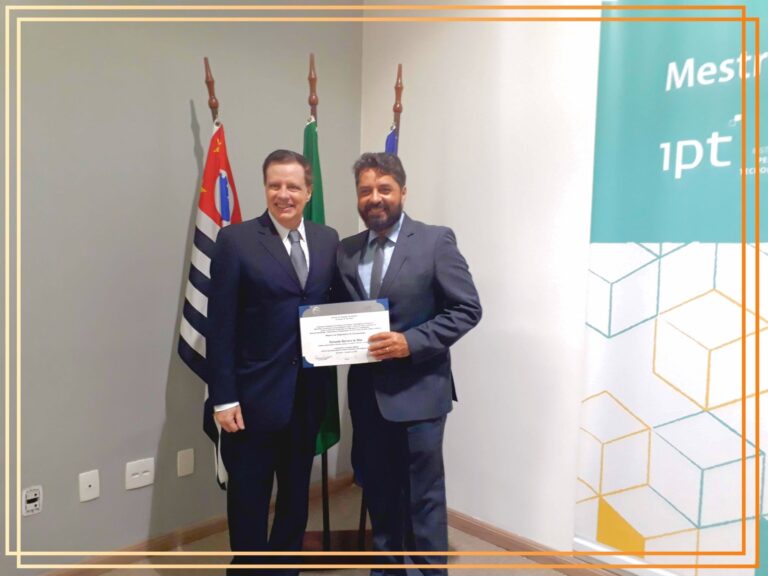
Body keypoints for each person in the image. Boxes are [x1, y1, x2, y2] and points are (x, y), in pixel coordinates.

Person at [336, 153, 482, 575]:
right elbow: (339, 315)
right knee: (379, 493)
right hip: (367, 397)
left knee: (423, 498)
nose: (375, 198)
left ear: (403, 191)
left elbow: (467, 308)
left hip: (420, 394)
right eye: (365, 190)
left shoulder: (435, 241)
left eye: (384, 189)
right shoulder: (346, 251)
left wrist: (409, 342)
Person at [207, 149, 339, 576]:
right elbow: (220, 325)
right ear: (265, 188)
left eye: (293, 186)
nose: (284, 194)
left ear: (308, 191)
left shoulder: (327, 239)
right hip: (251, 399)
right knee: (249, 499)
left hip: (307, 397)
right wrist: (223, 398)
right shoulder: (236, 241)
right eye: (275, 185)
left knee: (296, 497)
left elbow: (334, 307)